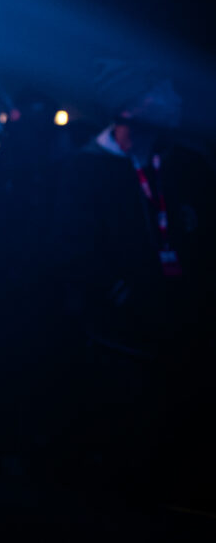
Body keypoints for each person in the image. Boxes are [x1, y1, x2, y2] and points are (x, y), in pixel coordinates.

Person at [49, 59, 215, 536]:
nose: (177, 99)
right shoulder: (84, 170)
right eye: (163, 90)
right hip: (122, 341)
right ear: (132, 106)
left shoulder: (188, 164)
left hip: (190, 331)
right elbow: (72, 250)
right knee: (134, 448)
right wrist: (119, 296)